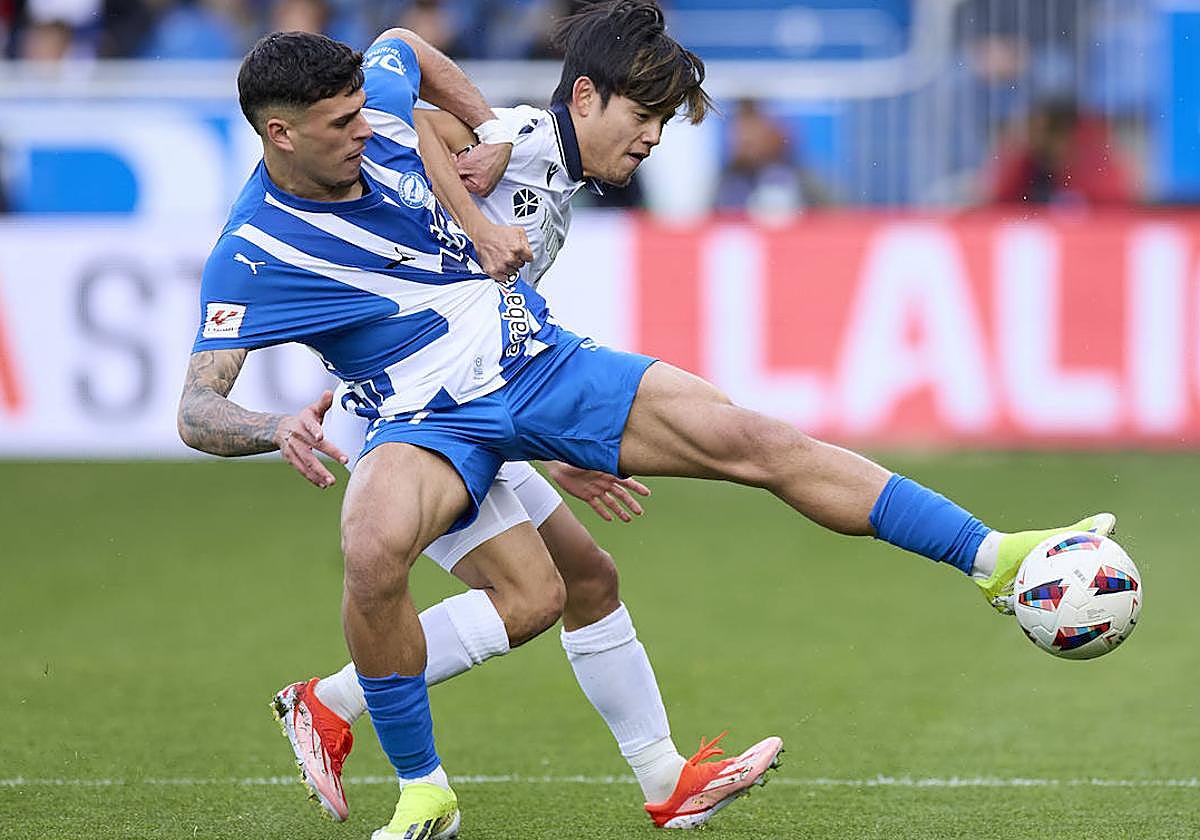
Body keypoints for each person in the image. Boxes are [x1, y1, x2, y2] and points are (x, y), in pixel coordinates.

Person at [178, 18, 1116, 840]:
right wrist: (271, 429)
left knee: (741, 453)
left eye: (360, 113)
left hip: (532, 363)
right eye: (342, 125)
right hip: (421, 418)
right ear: (280, 133)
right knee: (381, 546)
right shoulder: (251, 255)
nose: (362, 129)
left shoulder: (399, 112)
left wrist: (490, 131)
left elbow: (403, 59)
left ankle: (992, 557)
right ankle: (423, 790)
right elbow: (197, 409)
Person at [272, 2, 782, 832]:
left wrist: (552, 447)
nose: (653, 138)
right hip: (423, 422)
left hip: (477, 404)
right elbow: (404, 116)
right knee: (531, 598)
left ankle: (666, 779)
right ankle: (326, 702)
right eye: (647, 117)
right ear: (588, 97)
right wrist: (481, 155)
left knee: (589, 579)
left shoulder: (554, 173)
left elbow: (494, 328)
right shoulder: (527, 139)